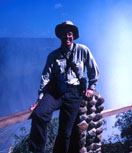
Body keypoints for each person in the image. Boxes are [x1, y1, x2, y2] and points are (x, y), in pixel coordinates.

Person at [29, 21, 99, 153]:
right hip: (56, 92)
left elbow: (93, 70)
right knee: (39, 115)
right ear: (60, 36)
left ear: (73, 36)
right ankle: (38, 151)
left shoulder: (82, 50)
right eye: (64, 34)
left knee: (65, 133)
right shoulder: (53, 56)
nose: (67, 37)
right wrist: (39, 99)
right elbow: (46, 78)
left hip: (74, 93)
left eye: (70, 34)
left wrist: (91, 87)